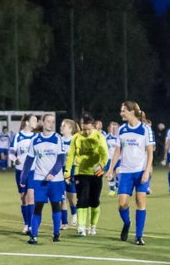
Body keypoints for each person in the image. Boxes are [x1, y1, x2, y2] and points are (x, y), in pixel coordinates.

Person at [106, 100, 154, 245]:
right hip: (125, 172)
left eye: (123, 110)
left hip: (140, 171)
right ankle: (127, 223)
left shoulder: (145, 130)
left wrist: (146, 172)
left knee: (140, 202)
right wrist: (110, 169)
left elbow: (150, 153)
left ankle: (139, 236)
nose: (121, 113)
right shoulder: (121, 130)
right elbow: (117, 151)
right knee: (122, 204)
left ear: (132, 112)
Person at [21, 112, 67, 244]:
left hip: (56, 180)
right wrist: (23, 178)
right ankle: (34, 235)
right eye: (48, 121)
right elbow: (29, 161)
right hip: (40, 179)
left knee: (55, 206)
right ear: (42, 122)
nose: (51, 124)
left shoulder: (58, 138)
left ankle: (56, 233)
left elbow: (61, 159)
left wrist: (53, 172)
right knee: (38, 206)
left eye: (53, 122)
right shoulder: (35, 140)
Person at [65, 114, 109, 236]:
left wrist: (101, 164)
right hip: (81, 172)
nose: (86, 132)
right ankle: (81, 227)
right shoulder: (76, 138)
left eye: (89, 129)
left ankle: (93, 226)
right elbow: (71, 156)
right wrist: (67, 172)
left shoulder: (99, 136)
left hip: (96, 172)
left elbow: (105, 154)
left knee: (94, 201)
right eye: (84, 129)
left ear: (93, 126)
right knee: (82, 199)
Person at [11, 114, 39, 233]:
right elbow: (11, 152)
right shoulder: (17, 136)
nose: (36, 122)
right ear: (27, 122)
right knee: (23, 198)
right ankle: (26, 224)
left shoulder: (36, 137)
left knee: (31, 196)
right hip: (20, 171)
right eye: (34, 120)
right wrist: (14, 159)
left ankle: (32, 225)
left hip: (33, 171)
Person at [59, 118, 80, 228]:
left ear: (70, 129)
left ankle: (74, 213)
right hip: (59, 171)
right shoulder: (59, 140)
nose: (61, 127)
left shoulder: (75, 140)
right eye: (61, 125)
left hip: (71, 170)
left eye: (64, 126)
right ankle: (64, 222)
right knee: (62, 197)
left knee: (71, 198)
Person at [104, 121, 121, 195]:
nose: (114, 129)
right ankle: (112, 189)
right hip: (109, 158)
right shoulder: (107, 137)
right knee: (110, 174)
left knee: (118, 172)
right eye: (113, 128)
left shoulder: (120, 137)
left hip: (119, 159)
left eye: (116, 128)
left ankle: (117, 187)